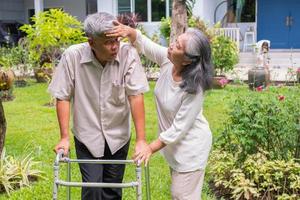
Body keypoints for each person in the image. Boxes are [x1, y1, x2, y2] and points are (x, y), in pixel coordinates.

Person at [48, 12, 149, 200]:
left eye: (117, 40)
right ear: (91, 42)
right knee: (92, 189)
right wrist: (64, 137)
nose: (115, 47)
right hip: (87, 135)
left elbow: (136, 96)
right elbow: (62, 96)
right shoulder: (73, 56)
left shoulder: (128, 55)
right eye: (108, 42)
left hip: (118, 135)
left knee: (112, 189)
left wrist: (141, 140)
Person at [107, 22, 213, 200]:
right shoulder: (169, 59)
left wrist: (149, 148)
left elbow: (178, 128)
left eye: (178, 46)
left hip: (191, 148)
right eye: (175, 41)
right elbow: (146, 45)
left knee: (181, 195)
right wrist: (130, 32)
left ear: (187, 60)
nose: (171, 45)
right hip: (176, 149)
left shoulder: (195, 88)